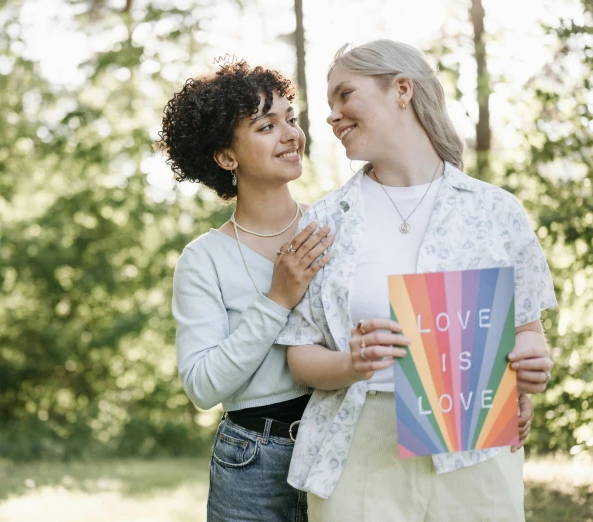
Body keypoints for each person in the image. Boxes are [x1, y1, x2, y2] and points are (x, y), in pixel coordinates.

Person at [275, 40, 555, 522]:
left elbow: (529, 333)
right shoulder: (323, 222)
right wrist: (352, 362)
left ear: (402, 89)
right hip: (357, 449)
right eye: (329, 105)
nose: (332, 116)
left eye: (345, 95)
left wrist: (533, 364)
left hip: (477, 447)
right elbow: (299, 353)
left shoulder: (494, 211)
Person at [158, 61, 333, 521]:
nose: (290, 134)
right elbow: (202, 385)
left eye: (290, 119)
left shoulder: (334, 226)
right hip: (252, 462)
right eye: (266, 125)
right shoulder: (203, 259)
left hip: (338, 443)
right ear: (226, 157)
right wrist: (277, 298)